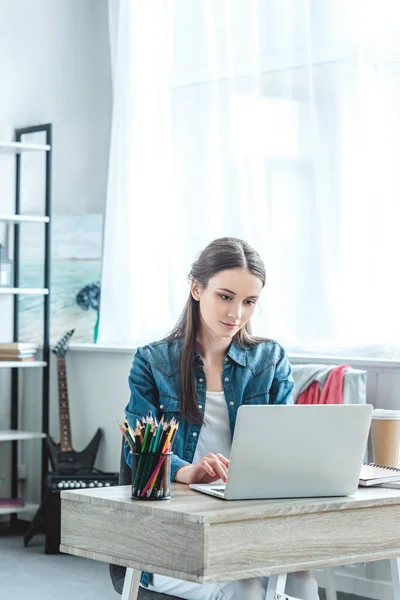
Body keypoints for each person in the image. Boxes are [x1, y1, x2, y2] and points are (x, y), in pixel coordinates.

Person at [124, 237, 319, 600]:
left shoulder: (269, 359)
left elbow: (285, 444)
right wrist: (187, 471)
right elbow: (136, 452)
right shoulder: (153, 362)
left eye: (249, 302)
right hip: (175, 532)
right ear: (197, 289)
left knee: (301, 580)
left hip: (246, 523)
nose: (237, 314)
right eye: (225, 297)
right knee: (243, 587)